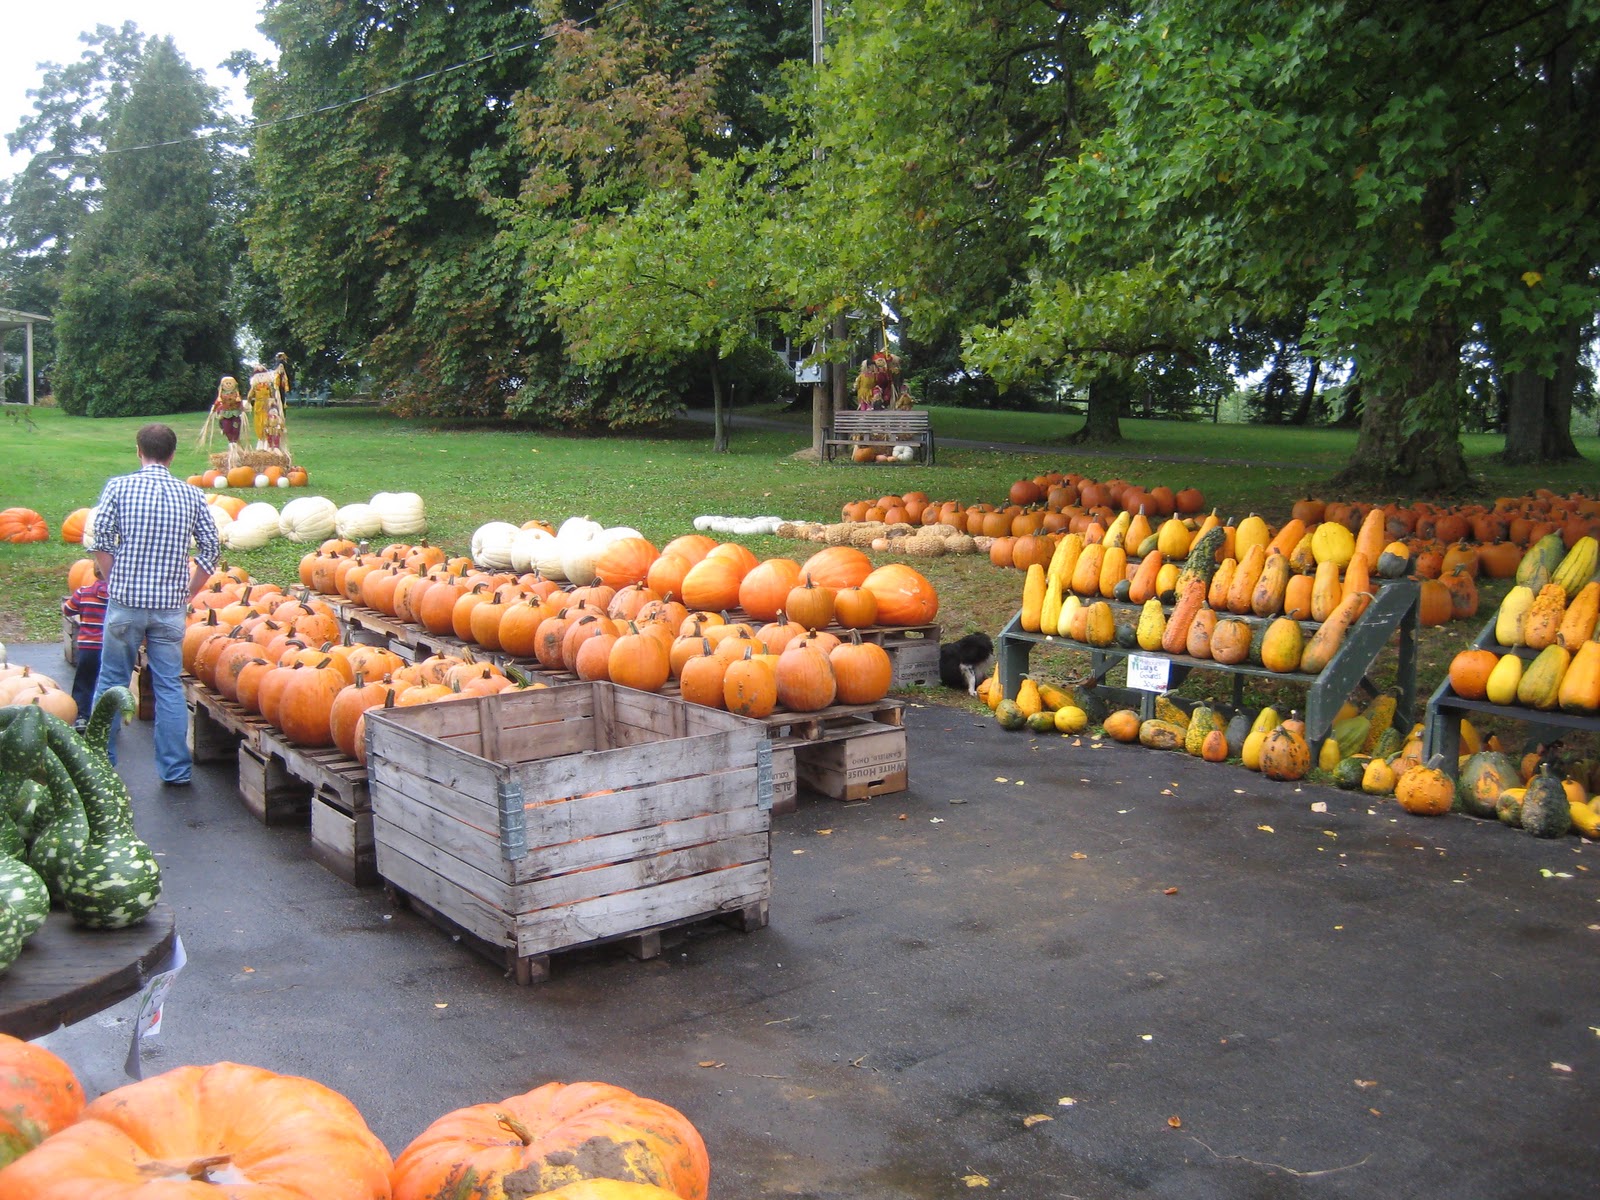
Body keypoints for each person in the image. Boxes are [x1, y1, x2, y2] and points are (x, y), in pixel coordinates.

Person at [92, 423, 221, 784]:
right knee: (168, 686)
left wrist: (112, 576)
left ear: (139, 450)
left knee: (112, 682)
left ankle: (100, 765)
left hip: (125, 603)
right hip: (168, 608)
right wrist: (190, 591)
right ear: (172, 454)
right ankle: (176, 770)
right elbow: (211, 550)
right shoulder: (191, 495)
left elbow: (100, 538)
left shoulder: (119, 487)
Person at [62, 563, 109, 730]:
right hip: (109, 648)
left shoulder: (84, 593)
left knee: (84, 681)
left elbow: (68, 610)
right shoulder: (117, 596)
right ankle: (106, 719)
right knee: (108, 681)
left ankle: (81, 716)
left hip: (88, 647)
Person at [246, 363, 280, 450]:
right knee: (259, 422)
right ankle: (260, 440)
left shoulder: (268, 386)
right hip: (258, 405)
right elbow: (250, 396)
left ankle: (268, 442)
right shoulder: (254, 387)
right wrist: (248, 402)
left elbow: (272, 395)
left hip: (267, 405)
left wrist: (273, 402)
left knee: (268, 422)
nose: (261, 376)